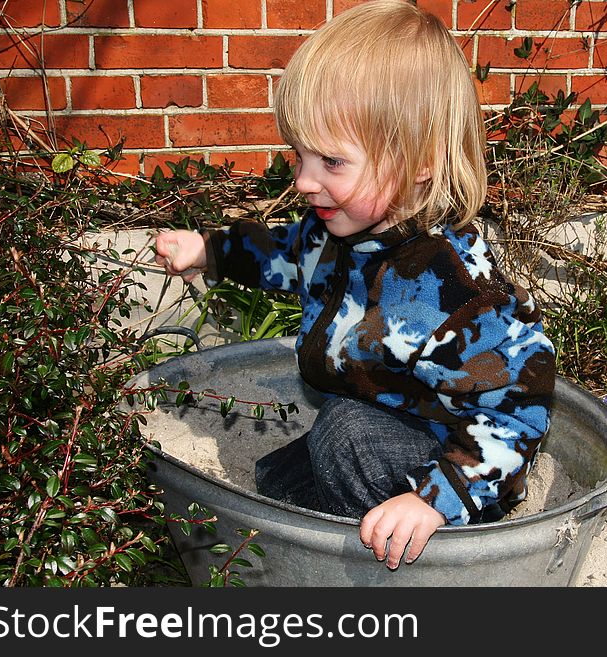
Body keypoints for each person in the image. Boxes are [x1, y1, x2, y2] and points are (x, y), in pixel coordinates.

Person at [154, 0, 556, 571]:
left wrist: (436, 500)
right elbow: (286, 253)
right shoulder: (339, 233)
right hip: (383, 421)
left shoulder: (458, 291)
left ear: (422, 158)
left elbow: (519, 408)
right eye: (300, 154)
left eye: (332, 162)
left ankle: (372, 580)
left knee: (344, 439)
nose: (304, 180)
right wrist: (210, 251)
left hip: (454, 458)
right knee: (276, 480)